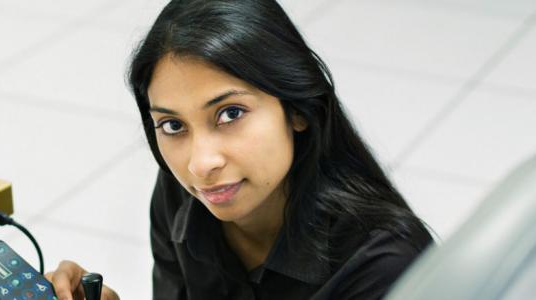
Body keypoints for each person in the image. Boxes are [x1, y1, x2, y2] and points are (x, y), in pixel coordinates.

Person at [45, 0, 434, 299]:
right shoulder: (179, 198)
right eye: (173, 125)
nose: (200, 165)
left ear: (298, 109)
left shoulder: (385, 266)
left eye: (230, 113)